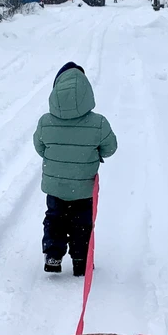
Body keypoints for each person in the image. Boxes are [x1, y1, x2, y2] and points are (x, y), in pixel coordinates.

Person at [33, 62, 118, 276]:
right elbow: (110, 148)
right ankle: (81, 259)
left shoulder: (45, 122)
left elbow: (39, 146)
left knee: (55, 217)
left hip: (56, 184)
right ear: (86, 91)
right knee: (82, 222)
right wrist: (94, 153)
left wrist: (56, 159)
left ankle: (53, 255)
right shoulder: (98, 123)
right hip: (83, 185)